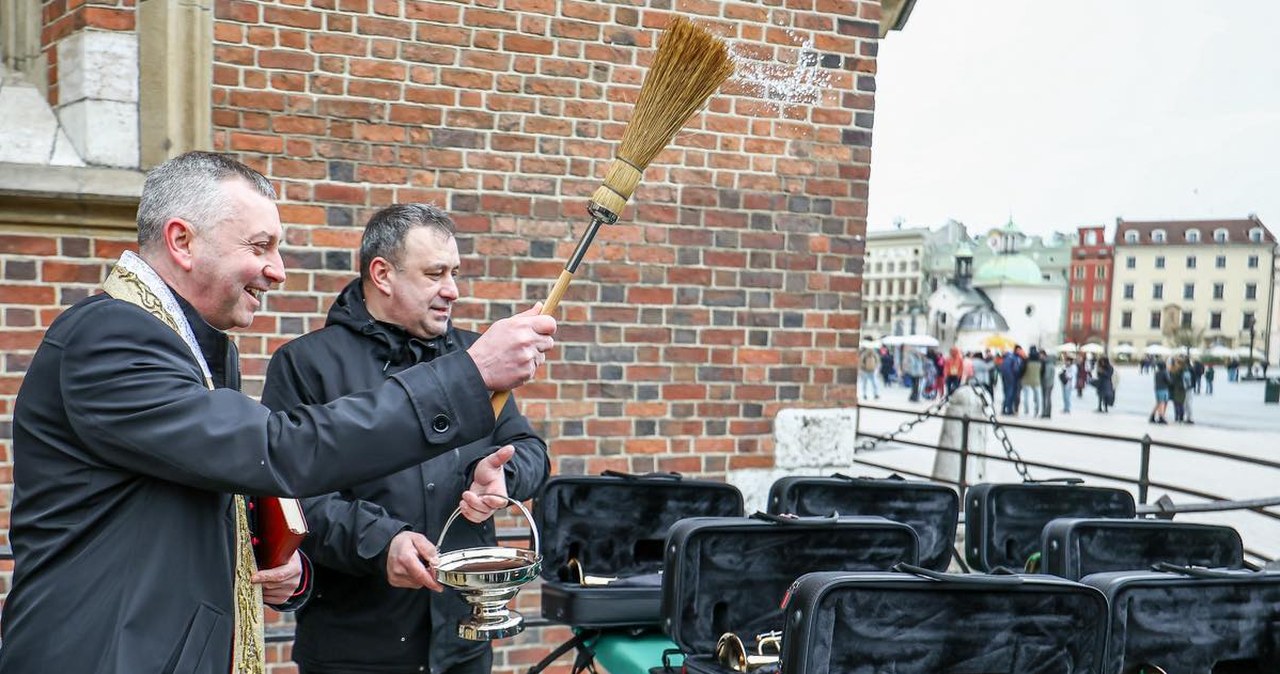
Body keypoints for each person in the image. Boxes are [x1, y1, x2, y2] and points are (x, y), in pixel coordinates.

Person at [0, 153, 556, 674]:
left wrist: (282, 565)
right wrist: (469, 376)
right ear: (182, 241)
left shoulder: (190, 345)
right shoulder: (112, 336)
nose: (278, 271)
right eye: (261, 246)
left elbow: (210, 492)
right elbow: (277, 450)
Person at [260, 204, 551, 674]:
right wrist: (381, 542)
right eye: (435, 273)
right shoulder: (305, 364)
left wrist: (505, 478)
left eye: (454, 272)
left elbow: (532, 450)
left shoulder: (478, 358)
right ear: (383, 274)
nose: (452, 290)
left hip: (463, 642)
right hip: (353, 650)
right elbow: (289, 498)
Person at [1020, 347, 1043, 417]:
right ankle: (1037, 411)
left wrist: (1021, 376)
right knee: (1037, 397)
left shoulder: (1026, 360)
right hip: (1036, 380)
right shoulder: (1040, 360)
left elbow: (1022, 370)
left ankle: (1026, 410)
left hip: (1026, 379)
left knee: (1026, 396)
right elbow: (1042, 371)